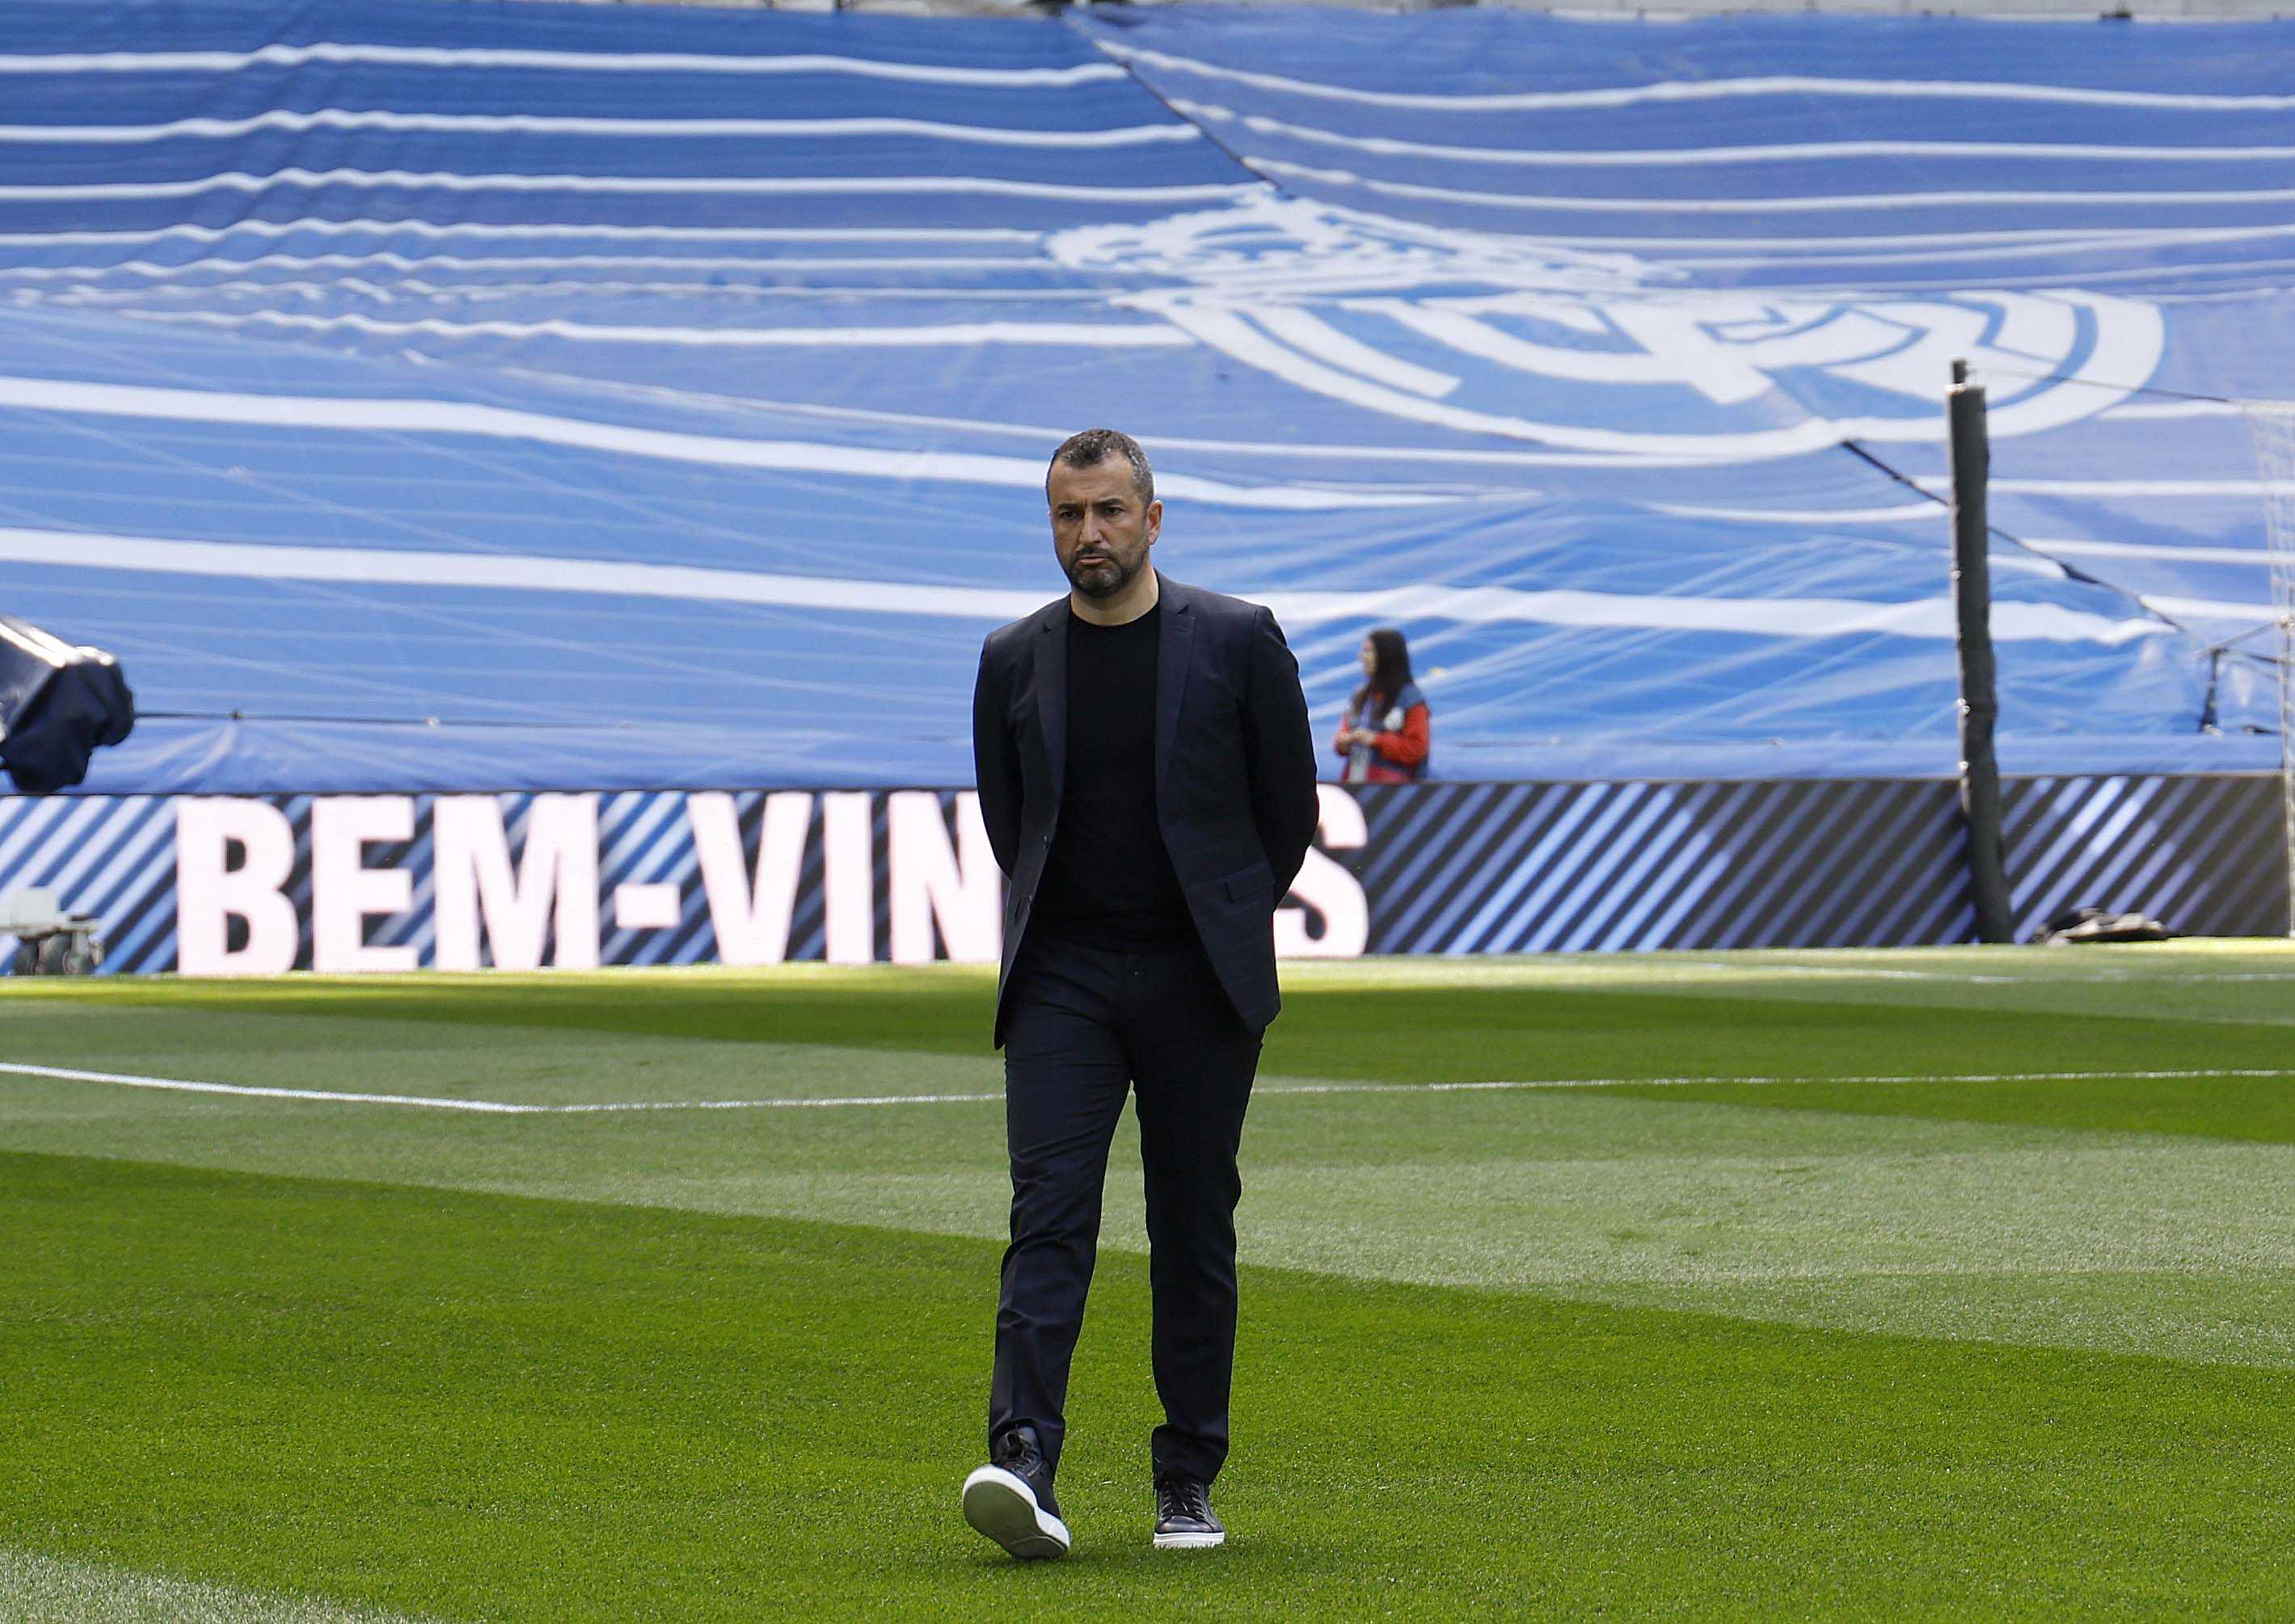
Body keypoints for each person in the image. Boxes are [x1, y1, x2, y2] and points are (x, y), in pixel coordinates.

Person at [964, 428, 1318, 1560]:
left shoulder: (1238, 638)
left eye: (1109, 511)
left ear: (1152, 519)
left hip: (1196, 978)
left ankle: (1186, 1477)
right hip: (1062, 976)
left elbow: (1287, 810)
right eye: (1069, 514)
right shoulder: (1011, 656)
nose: (1090, 533)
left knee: (1191, 1225)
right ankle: (1024, 1461)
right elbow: (1011, 822)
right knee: (1047, 1216)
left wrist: (1218, 916)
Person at [1334, 627, 1430, 782]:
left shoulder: (1410, 699)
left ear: (1386, 656)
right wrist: (1344, 741)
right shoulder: (1360, 696)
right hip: (1353, 785)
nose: (1361, 657)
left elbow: (1417, 748)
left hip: (1391, 790)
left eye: (1368, 651)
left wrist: (1376, 740)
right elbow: (1343, 732)